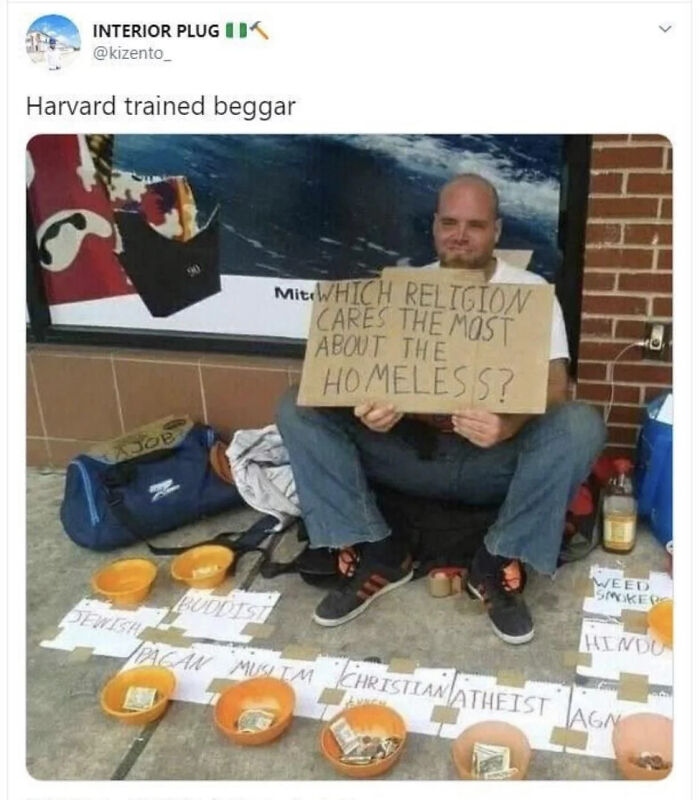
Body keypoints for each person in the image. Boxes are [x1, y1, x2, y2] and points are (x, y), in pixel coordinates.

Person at [277, 173, 606, 645]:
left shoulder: (532, 293)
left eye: (475, 224)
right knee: (296, 406)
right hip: (411, 453)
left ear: (496, 230)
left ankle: (494, 561)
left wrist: (508, 425)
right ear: (434, 227)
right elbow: (351, 375)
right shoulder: (402, 289)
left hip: (493, 460)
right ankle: (379, 550)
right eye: (450, 222)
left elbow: (558, 384)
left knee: (581, 425)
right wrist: (368, 407)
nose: (460, 234)